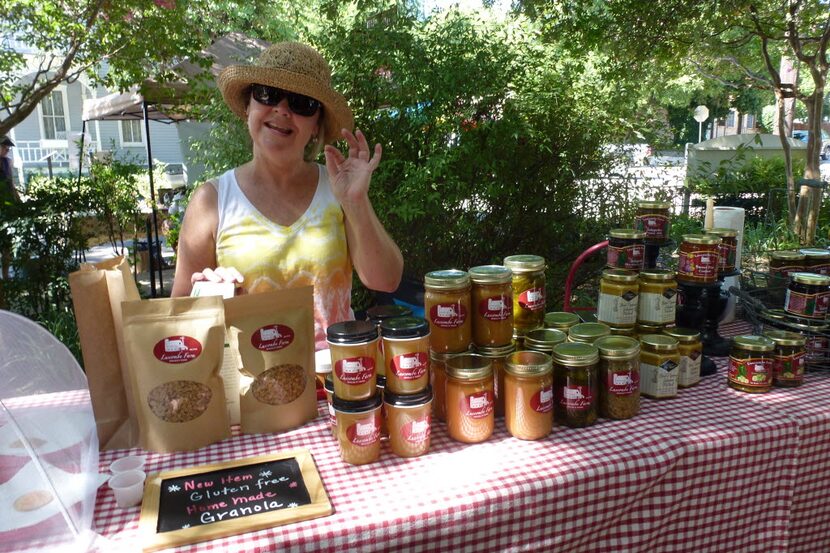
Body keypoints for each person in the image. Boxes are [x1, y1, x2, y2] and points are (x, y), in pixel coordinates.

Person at [171, 42, 404, 349]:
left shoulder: (337, 189)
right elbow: (179, 316)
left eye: (301, 103)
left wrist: (355, 202)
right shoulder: (211, 201)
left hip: (337, 379)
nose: (281, 109)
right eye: (266, 94)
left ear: (316, 125)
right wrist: (207, 295)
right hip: (250, 387)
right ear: (248, 107)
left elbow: (385, 280)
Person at [0, 135, 20, 280]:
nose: (7, 150)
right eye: (4, 147)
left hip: (7, 207)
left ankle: (6, 276)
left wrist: (18, 201)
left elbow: (11, 184)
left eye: (8, 148)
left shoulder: (7, 163)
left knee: (7, 243)